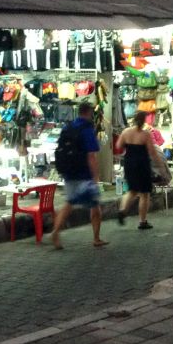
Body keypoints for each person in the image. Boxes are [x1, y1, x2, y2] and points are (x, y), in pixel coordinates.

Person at [50, 101, 105, 249]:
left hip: (69, 172)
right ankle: (96, 238)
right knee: (95, 206)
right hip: (84, 174)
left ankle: (55, 231)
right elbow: (91, 156)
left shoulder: (69, 126)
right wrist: (95, 176)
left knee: (69, 203)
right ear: (89, 112)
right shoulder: (86, 129)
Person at [116, 110, 173, 230]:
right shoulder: (145, 134)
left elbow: (118, 147)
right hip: (142, 165)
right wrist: (162, 168)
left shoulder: (126, 132)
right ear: (143, 121)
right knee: (144, 194)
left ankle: (122, 211)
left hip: (129, 164)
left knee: (132, 190)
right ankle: (143, 221)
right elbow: (153, 152)